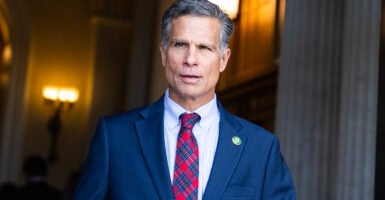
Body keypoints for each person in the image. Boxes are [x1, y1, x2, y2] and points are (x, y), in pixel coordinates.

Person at [73, 0, 296, 199]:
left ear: (223, 60)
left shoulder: (261, 148)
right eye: (180, 45)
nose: (191, 59)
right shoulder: (114, 137)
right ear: (163, 53)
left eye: (204, 48)